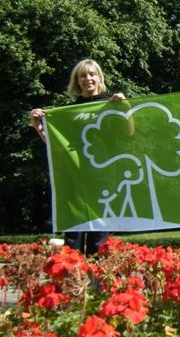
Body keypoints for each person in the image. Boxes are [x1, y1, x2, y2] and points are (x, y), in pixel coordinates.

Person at [30, 58, 128, 256]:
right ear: (77, 80)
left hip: (103, 176)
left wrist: (125, 107)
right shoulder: (67, 112)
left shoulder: (112, 103)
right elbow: (56, 145)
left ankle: (96, 283)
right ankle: (73, 283)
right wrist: (37, 125)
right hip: (75, 178)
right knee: (73, 236)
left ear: (100, 77)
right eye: (82, 75)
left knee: (98, 238)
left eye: (92, 74)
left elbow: (129, 134)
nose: (88, 79)